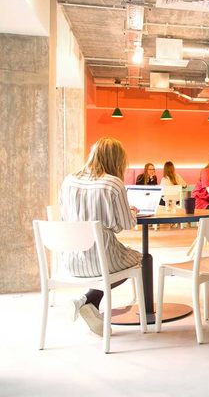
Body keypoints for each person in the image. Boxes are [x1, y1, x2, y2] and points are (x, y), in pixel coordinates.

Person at [59, 137, 141, 336]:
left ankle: (89, 302)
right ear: (117, 160)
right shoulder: (113, 184)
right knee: (143, 259)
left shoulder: (68, 180)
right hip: (102, 259)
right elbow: (124, 225)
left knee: (107, 264)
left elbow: (64, 216)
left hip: (72, 260)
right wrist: (132, 212)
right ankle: (88, 300)